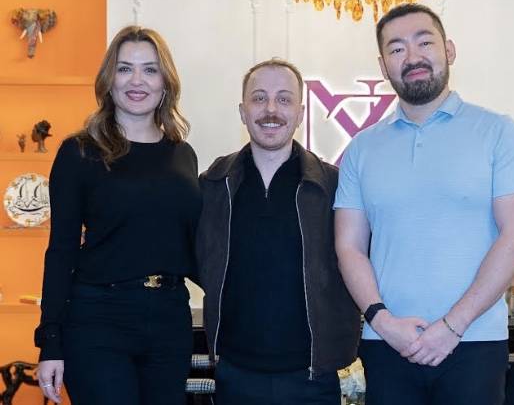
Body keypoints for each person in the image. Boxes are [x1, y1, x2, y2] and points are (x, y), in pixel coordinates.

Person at [334, 3, 514, 405]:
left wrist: (452, 326)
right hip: (387, 343)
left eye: (424, 42)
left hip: (474, 342)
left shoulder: (498, 132)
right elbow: (349, 246)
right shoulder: (361, 148)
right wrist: (382, 321)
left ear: (449, 50)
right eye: (396, 49)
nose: (412, 57)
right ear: (383, 67)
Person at [34, 26, 202, 405]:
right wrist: (50, 340)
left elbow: (191, 247)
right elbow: (61, 250)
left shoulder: (182, 154)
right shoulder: (79, 152)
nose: (136, 80)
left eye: (150, 69)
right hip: (98, 320)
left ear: (165, 82)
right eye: (125, 69)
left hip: (170, 318)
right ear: (109, 81)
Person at [195, 58, 360, 405]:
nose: (271, 109)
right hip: (234, 373)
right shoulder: (213, 185)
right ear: (242, 112)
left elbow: (358, 262)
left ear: (301, 113)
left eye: (284, 99)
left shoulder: (333, 186)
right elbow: (199, 260)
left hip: (313, 377)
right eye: (259, 98)